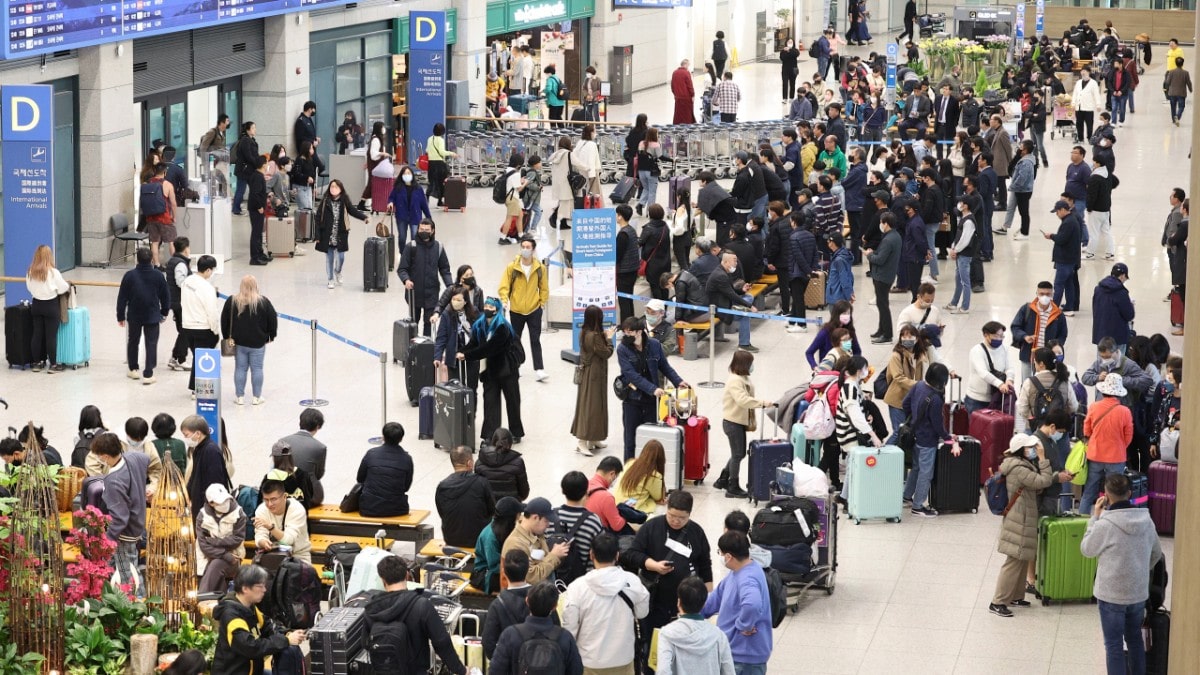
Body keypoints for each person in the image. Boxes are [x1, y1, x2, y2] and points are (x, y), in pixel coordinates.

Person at [1080, 473, 1165, 675]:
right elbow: (1156, 554)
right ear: (1129, 493)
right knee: (1135, 639)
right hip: (1137, 592)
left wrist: (1094, 518)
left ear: (1106, 496)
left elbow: (1087, 549)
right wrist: (1140, 570)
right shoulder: (1147, 521)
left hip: (1111, 594)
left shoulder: (1105, 524)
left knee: (1114, 645)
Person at [623, 491, 713, 671]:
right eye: (672, 515)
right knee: (653, 646)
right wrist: (653, 565)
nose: (676, 521)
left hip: (685, 605)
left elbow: (704, 563)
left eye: (682, 517)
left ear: (689, 514)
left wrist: (707, 596)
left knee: (682, 649)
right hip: (655, 602)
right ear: (666, 509)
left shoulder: (696, 532)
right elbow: (631, 554)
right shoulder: (652, 527)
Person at [988, 434, 1073, 617]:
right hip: (1020, 518)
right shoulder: (1019, 468)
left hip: (1023, 516)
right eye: (1030, 447)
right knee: (1013, 560)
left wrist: (1051, 474)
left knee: (1022, 557)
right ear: (1021, 450)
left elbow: (1038, 483)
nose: (1033, 450)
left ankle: (1015, 596)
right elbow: (1042, 481)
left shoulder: (1022, 464)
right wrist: (1043, 459)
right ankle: (998, 601)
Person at [561, 532, 650, 675]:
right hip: (623, 657)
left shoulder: (577, 587)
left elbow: (570, 628)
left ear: (591, 555)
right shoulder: (632, 581)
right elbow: (642, 612)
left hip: (588, 660)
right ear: (617, 555)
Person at [364, 555, 467, 675]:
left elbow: (365, 643)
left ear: (383, 580)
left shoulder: (372, 609)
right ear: (406, 575)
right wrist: (462, 670)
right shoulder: (421, 605)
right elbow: (442, 643)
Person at [211, 565, 306, 675]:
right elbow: (251, 647)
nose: (264, 590)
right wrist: (286, 640)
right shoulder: (232, 617)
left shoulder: (249, 606)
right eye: (259, 586)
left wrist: (287, 633)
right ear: (245, 588)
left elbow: (268, 626)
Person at [617, 316, 687, 461]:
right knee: (630, 440)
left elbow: (665, 366)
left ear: (639, 332)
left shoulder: (654, 345)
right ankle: (628, 473)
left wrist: (678, 381)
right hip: (632, 399)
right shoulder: (622, 349)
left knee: (650, 439)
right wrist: (652, 388)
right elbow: (631, 375)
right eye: (625, 332)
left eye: (630, 332)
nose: (627, 335)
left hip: (652, 401)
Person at [702, 531, 773, 675]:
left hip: (744, 656)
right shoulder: (738, 572)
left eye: (720, 553)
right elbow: (716, 598)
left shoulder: (747, 577)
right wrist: (691, 613)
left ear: (728, 556)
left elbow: (752, 605)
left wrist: (743, 625)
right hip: (735, 653)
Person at [89, 432, 151, 594]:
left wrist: (108, 540)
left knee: (128, 573)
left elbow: (119, 518)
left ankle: (138, 601)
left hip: (125, 533)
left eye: (100, 457)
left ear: (105, 456)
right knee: (123, 566)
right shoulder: (132, 458)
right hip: (138, 521)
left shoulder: (114, 480)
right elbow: (146, 460)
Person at [460, 297, 525, 442]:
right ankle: (490, 435)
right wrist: (462, 352)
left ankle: (516, 432)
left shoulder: (503, 327)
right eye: (486, 306)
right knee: (490, 403)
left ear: (497, 309)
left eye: (491, 306)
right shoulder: (480, 325)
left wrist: (467, 355)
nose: (488, 309)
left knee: (513, 402)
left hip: (508, 371)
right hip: (490, 372)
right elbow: (474, 343)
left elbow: (488, 349)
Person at [490, 582, 584, 675]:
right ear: (555, 606)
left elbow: (496, 670)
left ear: (527, 601)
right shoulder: (565, 637)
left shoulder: (510, 634)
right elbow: (576, 670)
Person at [717, 351, 774, 499]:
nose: (752, 366)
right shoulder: (735, 380)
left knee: (737, 453)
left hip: (737, 421)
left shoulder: (743, 378)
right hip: (732, 422)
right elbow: (743, 400)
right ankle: (732, 486)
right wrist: (761, 403)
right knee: (738, 454)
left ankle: (723, 479)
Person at [901, 363, 955, 517]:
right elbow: (937, 424)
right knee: (926, 472)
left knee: (916, 468)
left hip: (915, 434)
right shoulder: (936, 399)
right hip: (927, 440)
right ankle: (918, 506)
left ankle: (906, 496)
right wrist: (947, 438)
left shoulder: (918, 386)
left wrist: (913, 420)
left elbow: (905, 404)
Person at [1079, 374, 1135, 514]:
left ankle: (1081, 522)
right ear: (1119, 394)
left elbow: (1086, 429)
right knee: (1115, 495)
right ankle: (1111, 520)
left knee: (1089, 491)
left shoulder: (1094, 407)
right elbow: (1128, 436)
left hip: (1095, 454)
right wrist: (1120, 446)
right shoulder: (1125, 411)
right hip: (1116, 457)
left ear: (1103, 391)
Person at [657, 576, 736, 675]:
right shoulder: (719, 635)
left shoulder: (667, 634)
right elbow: (729, 672)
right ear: (704, 604)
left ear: (679, 602)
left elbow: (663, 671)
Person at [115, 246, 171, 385]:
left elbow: (122, 297)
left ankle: (133, 368)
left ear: (137, 260)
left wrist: (120, 316)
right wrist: (164, 312)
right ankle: (148, 373)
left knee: (133, 341)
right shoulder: (158, 275)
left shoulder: (129, 275)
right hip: (152, 315)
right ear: (152, 259)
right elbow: (165, 296)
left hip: (134, 315)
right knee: (151, 343)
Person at [220, 275, 277, 406]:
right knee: (257, 369)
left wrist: (227, 337)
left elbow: (224, 320)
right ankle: (256, 397)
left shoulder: (232, 301)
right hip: (258, 342)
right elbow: (272, 320)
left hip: (239, 342)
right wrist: (270, 336)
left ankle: (239, 397)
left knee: (240, 369)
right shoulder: (263, 302)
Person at [499, 236, 550, 381]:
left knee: (535, 339)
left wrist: (542, 302)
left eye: (528, 247)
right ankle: (516, 365)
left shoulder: (539, 268)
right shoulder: (512, 267)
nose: (525, 250)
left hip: (534, 309)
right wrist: (504, 300)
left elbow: (544, 287)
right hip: (516, 309)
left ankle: (539, 369)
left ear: (533, 250)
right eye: (523, 247)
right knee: (515, 339)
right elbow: (504, 285)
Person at [572, 306, 615, 456]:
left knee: (595, 405)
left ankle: (593, 438)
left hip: (590, 373)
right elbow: (606, 352)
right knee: (591, 406)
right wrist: (609, 339)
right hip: (594, 375)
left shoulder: (585, 333)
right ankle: (582, 441)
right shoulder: (594, 336)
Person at [398, 218, 453, 337]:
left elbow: (444, 269)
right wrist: (406, 280)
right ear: (417, 229)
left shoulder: (438, 247)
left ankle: (426, 350)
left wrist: (450, 286)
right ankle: (412, 349)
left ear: (432, 231)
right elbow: (402, 269)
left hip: (431, 293)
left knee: (429, 323)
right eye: (421, 229)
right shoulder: (411, 247)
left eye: (427, 230)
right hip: (414, 293)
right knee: (413, 323)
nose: (423, 231)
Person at [435, 446, 497, 548]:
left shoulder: (443, 485)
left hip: (451, 539)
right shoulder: (481, 482)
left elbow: (442, 512)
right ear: (469, 463)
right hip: (479, 539)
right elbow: (492, 510)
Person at [23, 244, 71, 374]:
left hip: (37, 305)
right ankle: (53, 365)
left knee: (37, 334)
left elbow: (29, 287)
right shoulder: (53, 272)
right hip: (51, 306)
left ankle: (37, 363)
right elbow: (63, 288)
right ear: (49, 256)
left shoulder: (30, 271)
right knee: (51, 336)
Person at [314, 179, 369, 289]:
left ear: (341, 189)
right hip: (327, 234)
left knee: (341, 257)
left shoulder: (344, 200)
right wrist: (317, 235)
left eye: (336, 187)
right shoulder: (325, 201)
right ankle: (330, 279)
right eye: (332, 187)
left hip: (341, 234)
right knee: (329, 258)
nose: (333, 189)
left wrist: (364, 217)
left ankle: (337, 271)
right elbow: (318, 218)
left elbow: (352, 210)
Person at [501, 497, 569, 585]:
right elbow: (530, 577)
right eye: (546, 521)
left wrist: (558, 554)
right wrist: (554, 556)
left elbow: (543, 560)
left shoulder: (536, 533)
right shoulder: (515, 544)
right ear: (535, 517)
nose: (548, 525)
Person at [1011, 282, 1069, 384]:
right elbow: (1015, 327)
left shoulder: (1058, 315)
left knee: (1046, 385)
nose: (1045, 297)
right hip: (1028, 355)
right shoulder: (1027, 309)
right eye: (1042, 294)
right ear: (1036, 293)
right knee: (1027, 384)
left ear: (1052, 295)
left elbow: (1063, 334)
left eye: (1048, 294)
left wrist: (1056, 346)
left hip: (1048, 358)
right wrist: (1024, 337)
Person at [195, 483, 247, 594]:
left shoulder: (239, 513)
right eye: (220, 501)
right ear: (211, 503)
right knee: (213, 569)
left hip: (234, 558)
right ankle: (215, 603)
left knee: (216, 565)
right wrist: (225, 555)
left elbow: (237, 539)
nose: (225, 503)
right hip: (206, 559)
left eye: (226, 499)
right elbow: (204, 545)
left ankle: (202, 600)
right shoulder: (202, 516)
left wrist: (215, 541)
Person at [1017, 347, 1079, 437]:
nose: (1034, 363)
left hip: (1035, 431)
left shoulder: (1029, 382)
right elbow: (1074, 407)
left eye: (1035, 361)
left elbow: (1022, 409)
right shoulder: (1064, 381)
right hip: (1059, 431)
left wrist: (1032, 418)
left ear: (1041, 364)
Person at [355, 422, 413, 517]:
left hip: (369, 507)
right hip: (397, 509)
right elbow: (406, 487)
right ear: (401, 439)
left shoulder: (371, 454)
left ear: (383, 437)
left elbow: (360, 479)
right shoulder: (407, 459)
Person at [706, 252, 759, 352]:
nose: (736, 263)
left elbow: (730, 291)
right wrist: (750, 306)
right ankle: (744, 344)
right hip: (719, 308)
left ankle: (741, 308)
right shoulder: (720, 275)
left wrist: (741, 291)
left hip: (724, 301)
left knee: (748, 296)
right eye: (734, 261)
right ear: (726, 262)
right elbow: (731, 295)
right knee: (745, 314)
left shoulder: (723, 272)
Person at [434, 284, 482, 394]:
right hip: (453, 354)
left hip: (471, 354)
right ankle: (458, 410)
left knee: (472, 387)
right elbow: (441, 337)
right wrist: (437, 356)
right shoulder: (447, 314)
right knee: (455, 387)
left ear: (465, 301)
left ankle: (471, 409)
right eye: (453, 299)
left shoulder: (474, 312)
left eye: (459, 300)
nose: (455, 302)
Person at [253, 475, 312, 563]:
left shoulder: (297, 509)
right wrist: (263, 542)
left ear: (284, 496)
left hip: (298, 556)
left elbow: (289, 540)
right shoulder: (261, 510)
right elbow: (260, 535)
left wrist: (271, 528)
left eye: (273, 499)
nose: (269, 504)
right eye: (266, 500)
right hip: (272, 554)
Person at [181, 412, 230, 517]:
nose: (185, 438)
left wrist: (207, 507)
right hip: (199, 507)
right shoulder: (198, 449)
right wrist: (185, 499)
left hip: (209, 511)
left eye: (186, 435)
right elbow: (193, 478)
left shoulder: (211, 451)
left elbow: (215, 483)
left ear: (198, 434)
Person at [275, 408, 327, 506]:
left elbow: (275, 467)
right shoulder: (320, 447)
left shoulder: (282, 441)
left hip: (283, 492)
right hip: (309, 496)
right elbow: (319, 474)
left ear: (300, 422)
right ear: (318, 426)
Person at [472, 496, 523, 594]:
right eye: (518, 514)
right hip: (486, 574)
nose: (520, 516)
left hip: (501, 567)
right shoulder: (491, 537)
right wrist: (517, 567)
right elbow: (494, 566)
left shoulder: (502, 528)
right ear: (511, 517)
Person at [962, 321, 1015, 415]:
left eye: (1001, 336)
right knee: (977, 429)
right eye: (996, 336)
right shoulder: (977, 351)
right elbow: (983, 372)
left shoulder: (1004, 349)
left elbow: (1009, 367)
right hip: (977, 399)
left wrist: (1009, 379)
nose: (999, 339)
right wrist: (1000, 384)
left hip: (996, 398)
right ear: (986, 335)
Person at [866, 212, 901, 343]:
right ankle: (881, 329)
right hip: (888, 274)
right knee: (882, 304)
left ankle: (887, 334)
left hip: (882, 275)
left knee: (883, 305)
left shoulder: (888, 239)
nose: (880, 224)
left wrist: (869, 255)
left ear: (886, 223)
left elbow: (880, 259)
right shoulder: (895, 236)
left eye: (881, 222)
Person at [1044, 199, 1083, 315]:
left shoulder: (1068, 223)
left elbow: (1062, 239)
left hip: (1065, 259)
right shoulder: (1071, 220)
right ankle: (1069, 307)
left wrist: (1051, 236)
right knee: (1068, 283)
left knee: (1059, 284)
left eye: (1057, 212)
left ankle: (1054, 308)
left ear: (1063, 210)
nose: (1057, 214)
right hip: (1070, 259)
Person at [616, 440, 668, 516]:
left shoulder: (631, 462)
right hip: (632, 513)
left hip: (617, 505)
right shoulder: (654, 476)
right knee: (661, 507)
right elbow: (659, 498)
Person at [475, 428, 529, 500]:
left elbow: (477, 490)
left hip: (487, 507)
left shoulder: (480, 462)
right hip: (511, 506)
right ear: (510, 444)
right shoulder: (518, 462)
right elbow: (524, 492)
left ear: (493, 442)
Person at [387, 164, 433, 250]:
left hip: (415, 216)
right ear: (401, 176)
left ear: (412, 175)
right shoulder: (398, 188)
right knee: (402, 238)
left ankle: (414, 256)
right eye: (405, 174)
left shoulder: (418, 188)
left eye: (409, 173)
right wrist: (390, 203)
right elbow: (391, 197)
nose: (407, 175)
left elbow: (424, 204)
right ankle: (403, 254)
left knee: (414, 239)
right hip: (402, 216)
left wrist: (429, 218)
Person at [1091, 263, 1136, 350]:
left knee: (1102, 361)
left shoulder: (1098, 289)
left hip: (1101, 334)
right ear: (1123, 276)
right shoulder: (1121, 292)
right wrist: (1131, 305)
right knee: (1118, 362)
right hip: (1117, 337)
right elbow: (1129, 315)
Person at [164, 238, 193, 371]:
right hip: (180, 302)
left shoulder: (173, 261)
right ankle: (180, 359)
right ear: (186, 248)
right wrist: (194, 283)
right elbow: (180, 282)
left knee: (183, 330)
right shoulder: (181, 264)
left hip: (175, 301)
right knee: (186, 330)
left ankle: (175, 357)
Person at [143, 163, 177, 267]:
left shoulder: (147, 183)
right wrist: (174, 216)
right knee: (171, 241)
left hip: (151, 217)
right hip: (164, 218)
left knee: (155, 242)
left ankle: (156, 264)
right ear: (165, 172)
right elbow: (173, 203)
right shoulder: (167, 185)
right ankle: (175, 264)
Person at [1084, 157, 1115, 261]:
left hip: (1096, 209)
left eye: (1094, 162)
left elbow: (1092, 195)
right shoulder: (1107, 174)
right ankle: (1110, 253)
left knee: (1093, 232)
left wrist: (1089, 207)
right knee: (1106, 231)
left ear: (1097, 163)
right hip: (1106, 207)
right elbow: (1114, 183)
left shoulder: (1095, 177)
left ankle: (1090, 253)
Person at [244, 156, 270, 266]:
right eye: (267, 163)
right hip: (256, 209)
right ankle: (254, 257)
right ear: (263, 164)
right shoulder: (258, 177)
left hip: (258, 207)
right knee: (256, 232)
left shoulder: (258, 175)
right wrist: (259, 206)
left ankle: (260, 253)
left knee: (259, 232)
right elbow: (255, 193)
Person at [499, 153, 528, 243]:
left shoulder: (507, 170)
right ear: (519, 164)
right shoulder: (516, 173)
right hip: (513, 198)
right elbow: (519, 189)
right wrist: (525, 183)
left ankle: (520, 235)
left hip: (508, 197)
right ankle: (502, 238)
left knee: (520, 215)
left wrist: (520, 181)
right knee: (510, 218)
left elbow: (510, 182)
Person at [293, 100, 326, 177]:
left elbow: (309, 133)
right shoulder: (301, 121)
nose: (314, 111)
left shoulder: (308, 119)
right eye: (314, 109)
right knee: (319, 167)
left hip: (312, 147)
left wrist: (315, 138)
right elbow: (300, 137)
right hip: (306, 149)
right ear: (310, 109)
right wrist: (311, 141)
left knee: (317, 167)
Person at [1072, 68, 1104, 141]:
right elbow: (1075, 94)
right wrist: (1073, 103)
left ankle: (1089, 138)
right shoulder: (1078, 82)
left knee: (1089, 124)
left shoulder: (1093, 83)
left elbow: (1096, 95)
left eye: (1085, 71)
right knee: (1079, 124)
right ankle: (1080, 138)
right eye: (1082, 71)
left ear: (1088, 72)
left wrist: (1098, 105)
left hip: (1088, 108)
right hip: (1079, 107)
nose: (1083, 73)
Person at [1165, 56, 1192, 125]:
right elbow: (1188, 82)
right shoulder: (1185, 73)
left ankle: (1174, 120)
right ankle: (1178, 116)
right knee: (1181, 106)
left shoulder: (1171, 72)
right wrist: (1190, 89)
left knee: (1173, 107)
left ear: (1175, 63)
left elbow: (1167, 82)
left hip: (1172, 93)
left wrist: (1167, 90)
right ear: (1182, 64)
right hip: (1181, 93)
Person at [293, 141, 318, 213]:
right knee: (304, 208)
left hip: (308, 187)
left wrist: (313, 187)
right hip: (300, 186)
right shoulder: (299, 160)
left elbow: (312, 174)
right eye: (311, 148)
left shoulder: (310, 159)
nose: (312, 150)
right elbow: (297, 173)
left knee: (309, 208)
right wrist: (306, 177)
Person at [671, 59, 696, 124]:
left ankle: (677, 126)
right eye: (688, 65)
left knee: (678, 114)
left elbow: (672, 85)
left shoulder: (674, 72)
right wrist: (693, 94)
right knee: (687, 115)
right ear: (685, 64)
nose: (688, 67)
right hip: (686, 97)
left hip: (678, 97)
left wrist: (675, 94)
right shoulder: (686, 73)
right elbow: (689, 85)